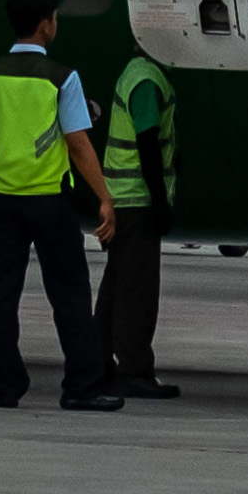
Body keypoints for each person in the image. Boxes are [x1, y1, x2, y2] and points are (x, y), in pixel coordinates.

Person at [0, 0, 121, 411]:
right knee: (69, 294)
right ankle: (81, 388)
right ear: (46, 24)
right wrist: (104, 196)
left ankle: (6, 388)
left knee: (4, 297)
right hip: (49, 200)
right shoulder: (62, 78)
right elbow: (78, 144)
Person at [90, 42, 180, 398]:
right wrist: (159, 201)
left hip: (122, 198)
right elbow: (147, 141)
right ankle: (134, 368)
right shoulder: (146, 80)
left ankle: (98, 362)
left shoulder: (135, 72)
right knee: (137, 291)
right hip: (136, 200)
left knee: (116, 287)